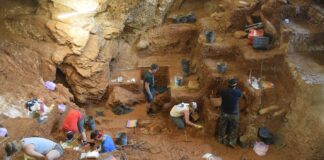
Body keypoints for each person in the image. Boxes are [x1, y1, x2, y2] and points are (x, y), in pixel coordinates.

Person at [218, 78, 243, 148]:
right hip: (234, 114)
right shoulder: (238, 92)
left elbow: (221, 96)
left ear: (228, 84)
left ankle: (221, 139)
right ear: (235, 85)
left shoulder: (223, 91)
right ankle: (231, 142)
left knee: (222, 126)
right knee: (233, 128)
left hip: (224, 112)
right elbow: (241, 95)